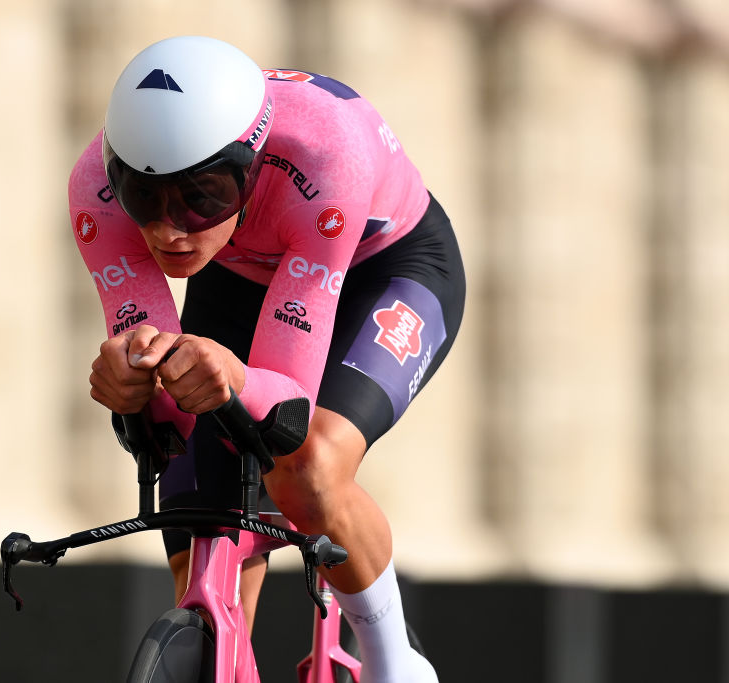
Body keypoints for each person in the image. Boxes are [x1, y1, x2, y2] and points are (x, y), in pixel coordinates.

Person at [70, 35, 463, 683]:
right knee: (198, 499)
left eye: (201, 195)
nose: (170, 229)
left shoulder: (327, 153)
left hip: (379, 269)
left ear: (250, 168)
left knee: (307, 466)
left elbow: (287, 410)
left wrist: (234, 382)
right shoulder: (94, 189)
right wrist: (132, 387)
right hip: (238, 273)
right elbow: (162, 409)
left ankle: (394, 663)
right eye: (144, 196)